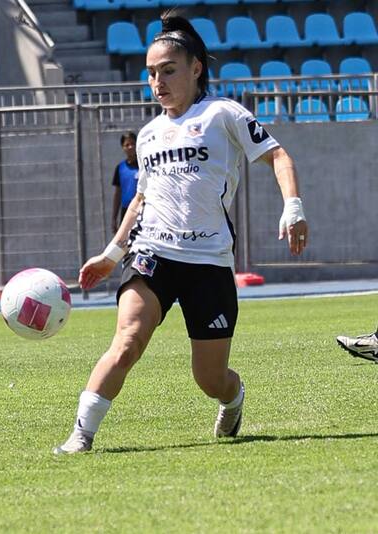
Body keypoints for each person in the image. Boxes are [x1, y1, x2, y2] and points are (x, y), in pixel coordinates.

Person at [53, 11, 309, 454]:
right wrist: (111, 256)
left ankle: (233, 397)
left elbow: (279, 156)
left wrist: (294, 207)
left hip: (209, 263)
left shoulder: (224, 114)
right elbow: (141, 201)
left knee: (209, 379)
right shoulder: (149, 134)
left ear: (195, 68)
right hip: (152, 254)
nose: (158, 82)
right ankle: (82, 433)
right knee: (128, 340)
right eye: (151, 73)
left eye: (168, 70)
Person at [111, 131, 139, 232]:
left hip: (142, 210)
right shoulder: (120, 168)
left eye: (132, 143)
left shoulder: (143, 165)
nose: (130, 147)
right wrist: (114, 218)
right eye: (127, 145)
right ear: (123, 147)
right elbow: (118, 193)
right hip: (126, 211)